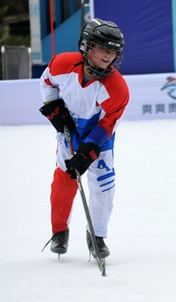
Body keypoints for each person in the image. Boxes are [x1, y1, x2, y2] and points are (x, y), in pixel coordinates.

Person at [39, 18, 129, 260]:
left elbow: (110, 121)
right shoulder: (63, 64)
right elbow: (47, 82)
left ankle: (97, 235)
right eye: (104, 49)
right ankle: (59, 232)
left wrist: (90, 148)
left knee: (103, 187)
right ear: (87, 47)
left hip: (99, 137)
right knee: (63, 181)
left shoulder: (117, 88)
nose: (109, 56)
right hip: (68, 132)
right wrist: (54, 108)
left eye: (113, 51)